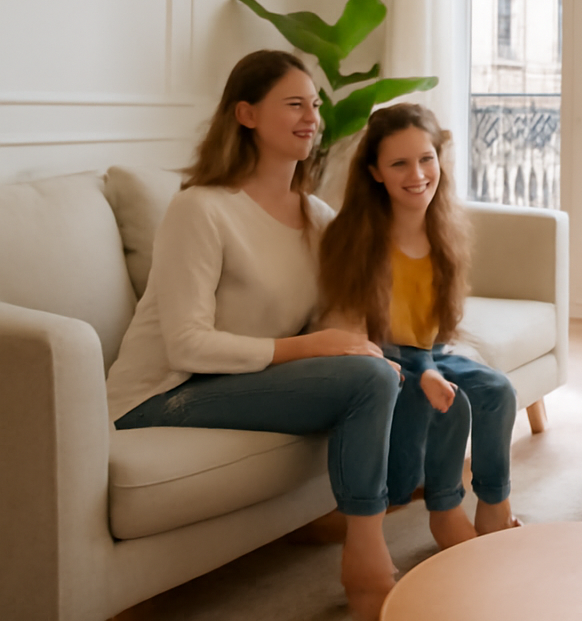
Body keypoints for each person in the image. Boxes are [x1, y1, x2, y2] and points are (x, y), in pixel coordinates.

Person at [106, 50, 403, 621]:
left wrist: (357, 341)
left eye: (315, 105)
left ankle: (392, 517)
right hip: (161, 393)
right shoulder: (201, 209)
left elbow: (333, 324)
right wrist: (313, 349)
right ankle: (367, 562)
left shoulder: (317, 218)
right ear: (246, 114)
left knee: (382, 370)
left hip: (238, 381)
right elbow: (187, 344)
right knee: (368, 378)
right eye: (294, 104)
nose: (312, 118)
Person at [318, 103, 519, 550]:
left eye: (426, 159)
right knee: (450, 401)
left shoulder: (445, 229)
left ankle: (495, 506)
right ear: (375, 172)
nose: (417, 174)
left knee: (498, 390)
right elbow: (353, 337)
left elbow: (438, 330)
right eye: (399, 164)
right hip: (377, 356)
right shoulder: (354, 238)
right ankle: (445, 511)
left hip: (430, 353)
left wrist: (429, 364)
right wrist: (422, 371)